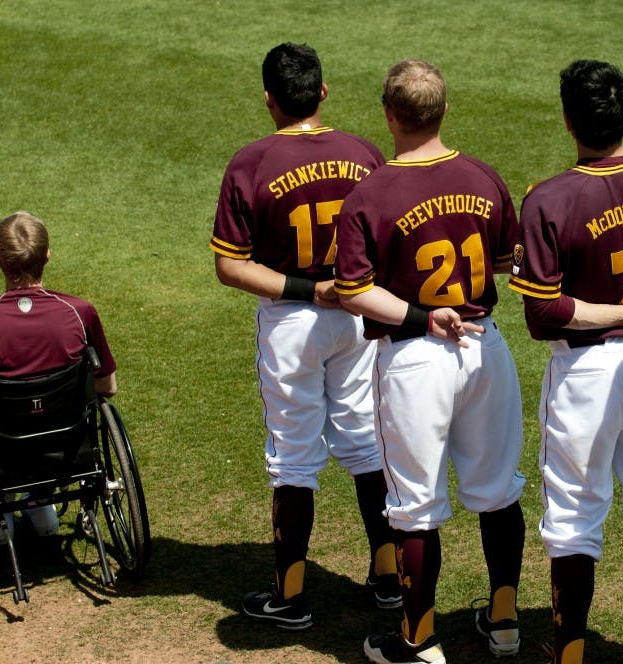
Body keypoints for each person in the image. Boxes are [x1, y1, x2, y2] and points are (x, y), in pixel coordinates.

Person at [334, 59, 527, 664]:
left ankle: (418, 641)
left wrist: (420, 313)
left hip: (416, 359)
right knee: (498, 492)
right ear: (444, 110)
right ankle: (503, 622)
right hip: (485, 346)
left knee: (414, 506)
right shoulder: (483, 176)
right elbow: (505, 260)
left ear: (389, 115)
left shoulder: (370, 194)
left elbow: (354, 290)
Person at [508, 59, 623, 664]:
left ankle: (568, 654)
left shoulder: (549, 198)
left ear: (568, 122)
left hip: (588, 375)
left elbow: (543, 316)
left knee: (572, 516)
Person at [210, 42, 398, 631]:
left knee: (293, 456)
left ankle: (291, 597)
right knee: (367, 441)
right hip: (362, 315)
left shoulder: (251, 163)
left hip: (292, 321)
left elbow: (231, 266)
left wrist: (307, 289)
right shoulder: (366, 154)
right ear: (322, 92)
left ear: (269, 100)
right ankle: (390, 578)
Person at [0, 210, 118, 542]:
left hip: (3, 452)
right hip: (68, 448)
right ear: (48, 255)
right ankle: (40, 501)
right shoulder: (80, 313)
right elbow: (108, 386)